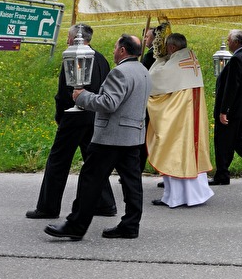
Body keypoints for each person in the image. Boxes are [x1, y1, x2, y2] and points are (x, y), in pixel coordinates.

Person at [44, 34, 151, 241]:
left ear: (122, 50)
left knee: (90, 180)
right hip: (133, 135)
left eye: (114, 47)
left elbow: (109, 103)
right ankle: (130, 224)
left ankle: (76, 225)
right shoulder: (143, 71)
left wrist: (82, 97)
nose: (113, 51)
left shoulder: (120, 72)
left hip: (111, 137)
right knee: (132, 183)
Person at [27, 24, 116, 220]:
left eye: (68, 36)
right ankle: (105, 202)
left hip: (74, 116)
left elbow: (64, 90)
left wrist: (60, 115)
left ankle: (48, 207)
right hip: (95, 114)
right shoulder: (101, 58)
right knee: (93, 161)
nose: (67, 40)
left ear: (75, 38)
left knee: (58, 161)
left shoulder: (72, 55)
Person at [146, 32, 214, 207]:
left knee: (173, 151)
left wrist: (160, 59)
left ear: (173, 47)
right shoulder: (191, 57)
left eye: (167, 47)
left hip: (179, 120)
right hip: (192, 117)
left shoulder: (175, 63)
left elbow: (153, 80)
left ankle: (175, 197)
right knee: (190, 152)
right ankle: (193, 195)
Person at [211, 29, 242, 185]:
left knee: (223, 140)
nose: (227, 43)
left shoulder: (237, 59)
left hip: (234, 108)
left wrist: (224, 110)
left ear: (237, 42)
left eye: (229, 40)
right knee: (238, 139)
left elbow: (232, 87)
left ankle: (222, 174)